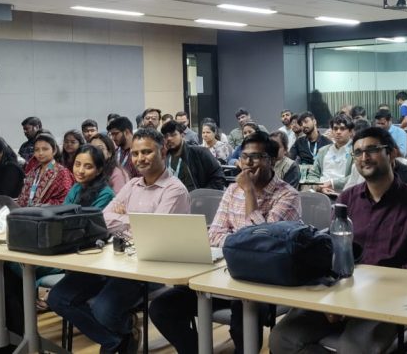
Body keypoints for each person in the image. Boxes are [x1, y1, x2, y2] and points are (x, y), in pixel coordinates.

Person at [270, 126, 407, 354]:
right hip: (341, 294)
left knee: (352, 349)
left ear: (391, 153)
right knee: (282, 338)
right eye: (357, 152)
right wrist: (333, 297)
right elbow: (331, 255)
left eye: (372, 150)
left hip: (387, 301)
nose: (364, 157)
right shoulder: (347, 199)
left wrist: (364, 297)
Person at [150, 131, 301, 354]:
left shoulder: (288, 196)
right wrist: (240, 245)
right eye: (244, 156)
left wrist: (249, 191)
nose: (248, 163)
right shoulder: (232, 190)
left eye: (256, 157)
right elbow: (214, 234)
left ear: (271, 160)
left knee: (243, 322)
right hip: (223, 276)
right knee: (161, 308)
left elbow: (263, 244)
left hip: (261, 284)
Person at [47, 128, 190, 354]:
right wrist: (136, 221)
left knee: (104, 310)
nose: (140, 158)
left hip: (148, 268)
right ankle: (117, 338)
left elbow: (152, 232)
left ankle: (120, 334)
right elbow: (104, 219)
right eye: (135, 153)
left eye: (146, 152)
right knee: (58, 297)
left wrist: (124, 218)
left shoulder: (175, 190)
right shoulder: (132, 185)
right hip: (115, 260)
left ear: (163, 151)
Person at [161, 120, 225, 191]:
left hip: (196, 196)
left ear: (182, 135)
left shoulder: (199, 153)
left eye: (173, 135)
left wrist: (202, 194)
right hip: (170, 195)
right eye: (166, 136)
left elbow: (218, 177)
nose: (169, 138)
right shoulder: (163, 157)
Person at [17, 132, 75, 207]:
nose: (40, 153)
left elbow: (65, 199)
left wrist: (43, 206)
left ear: (54, 151)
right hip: (27, 211)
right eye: (37, 150)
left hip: (49, 213)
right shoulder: (34, 171)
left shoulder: (62, 173)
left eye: (45, 149)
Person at [304, 114, 354, 195]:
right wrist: (319, 187)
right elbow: (312, 175)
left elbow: (356, 177)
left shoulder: (356, 151)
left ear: (351, 132)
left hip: (344, 193)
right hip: (321, 192)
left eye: (342, 128)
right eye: (335, 128)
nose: (338, 132)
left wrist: (332, 183)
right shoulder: (323, 151)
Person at [64, 145, 116, 209]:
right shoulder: (76, 187)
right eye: (77, 164)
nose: (80, 171)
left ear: (99, 171)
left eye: (88, 167)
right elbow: (63, 210)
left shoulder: (105, 194)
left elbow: (91, 215)